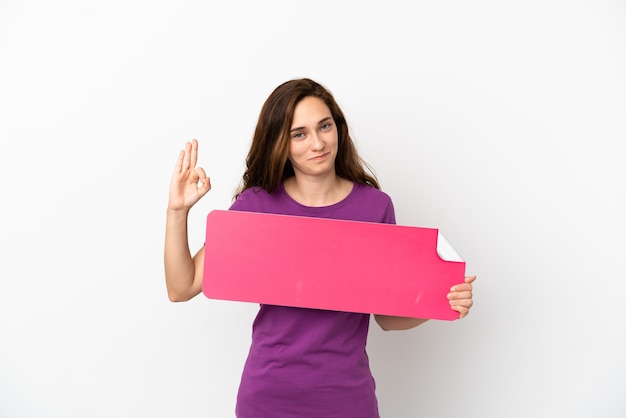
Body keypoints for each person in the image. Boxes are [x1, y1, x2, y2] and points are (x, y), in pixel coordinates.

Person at [164, 78, 475, 417]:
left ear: (337, 128)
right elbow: (182, 287)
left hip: (347, 400)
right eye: (300, 133)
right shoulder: (256, 207)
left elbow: (387, 317)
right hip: (267, 399)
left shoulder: (374, 207)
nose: (317, 143)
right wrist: (177, 212)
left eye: (324, 126)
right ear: (281, 143)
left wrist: (440, 302)